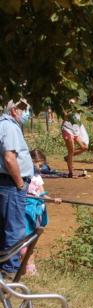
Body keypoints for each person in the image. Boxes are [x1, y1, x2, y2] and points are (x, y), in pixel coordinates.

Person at [0, 99, 34, 277]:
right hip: (11, 185)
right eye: (25, 110)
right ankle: (10, 271)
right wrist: (20, 183)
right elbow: (9, 158)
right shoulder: (10, 127)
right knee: (14, 228)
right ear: (14, 110)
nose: (27, 113)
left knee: (7, 226)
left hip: (7, 184)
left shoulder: (5, 125)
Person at [23, 150, 62, 276]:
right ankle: (23, 267)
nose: (37, 167)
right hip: (25, 212)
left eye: (40, 165)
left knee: (32, 240)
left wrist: (53, 200)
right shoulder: (22, 175)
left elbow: (42, 194)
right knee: (23, 240)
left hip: (36, 213)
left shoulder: (37, 178)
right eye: (35, 163)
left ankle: (30, 268)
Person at [61, 102, 88, 178]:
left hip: (76, 130)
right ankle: (71, 172)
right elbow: (65, 117)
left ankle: (68, 158)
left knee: (84, 147)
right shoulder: (66, 107)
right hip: (67, 129)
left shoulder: (79, 106)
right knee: (71, 150)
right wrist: (70, 110)